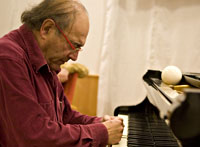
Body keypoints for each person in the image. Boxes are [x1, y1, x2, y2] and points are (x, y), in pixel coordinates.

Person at [0, 0, 124, 146]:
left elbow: (66, 116)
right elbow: (31, 135)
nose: (74, 57)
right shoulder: (8, 58)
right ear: (47, 29)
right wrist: (101, 133)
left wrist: (100, 123)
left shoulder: (47, 60)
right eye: (74, 45)